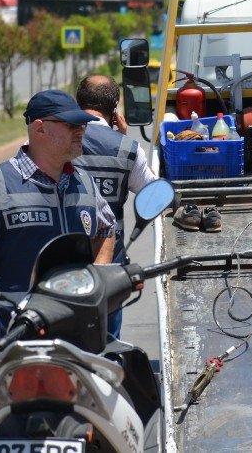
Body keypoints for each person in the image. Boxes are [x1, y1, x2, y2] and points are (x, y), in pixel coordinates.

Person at [0, 89, 117, 366]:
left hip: (74, 330)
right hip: (13, 335)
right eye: (71, 125)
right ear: (40, 128)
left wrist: (98, 278)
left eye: (82, 125)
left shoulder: (85, 182)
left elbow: (106, 229)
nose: (81, 131)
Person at [73, 74, 157, 340]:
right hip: (108, 268)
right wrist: (120, 139)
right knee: (107, 347)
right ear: (115, 109)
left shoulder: (55, 143)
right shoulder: (128, 149)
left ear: (77, 103)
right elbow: (153, 194)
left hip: (60, 267)